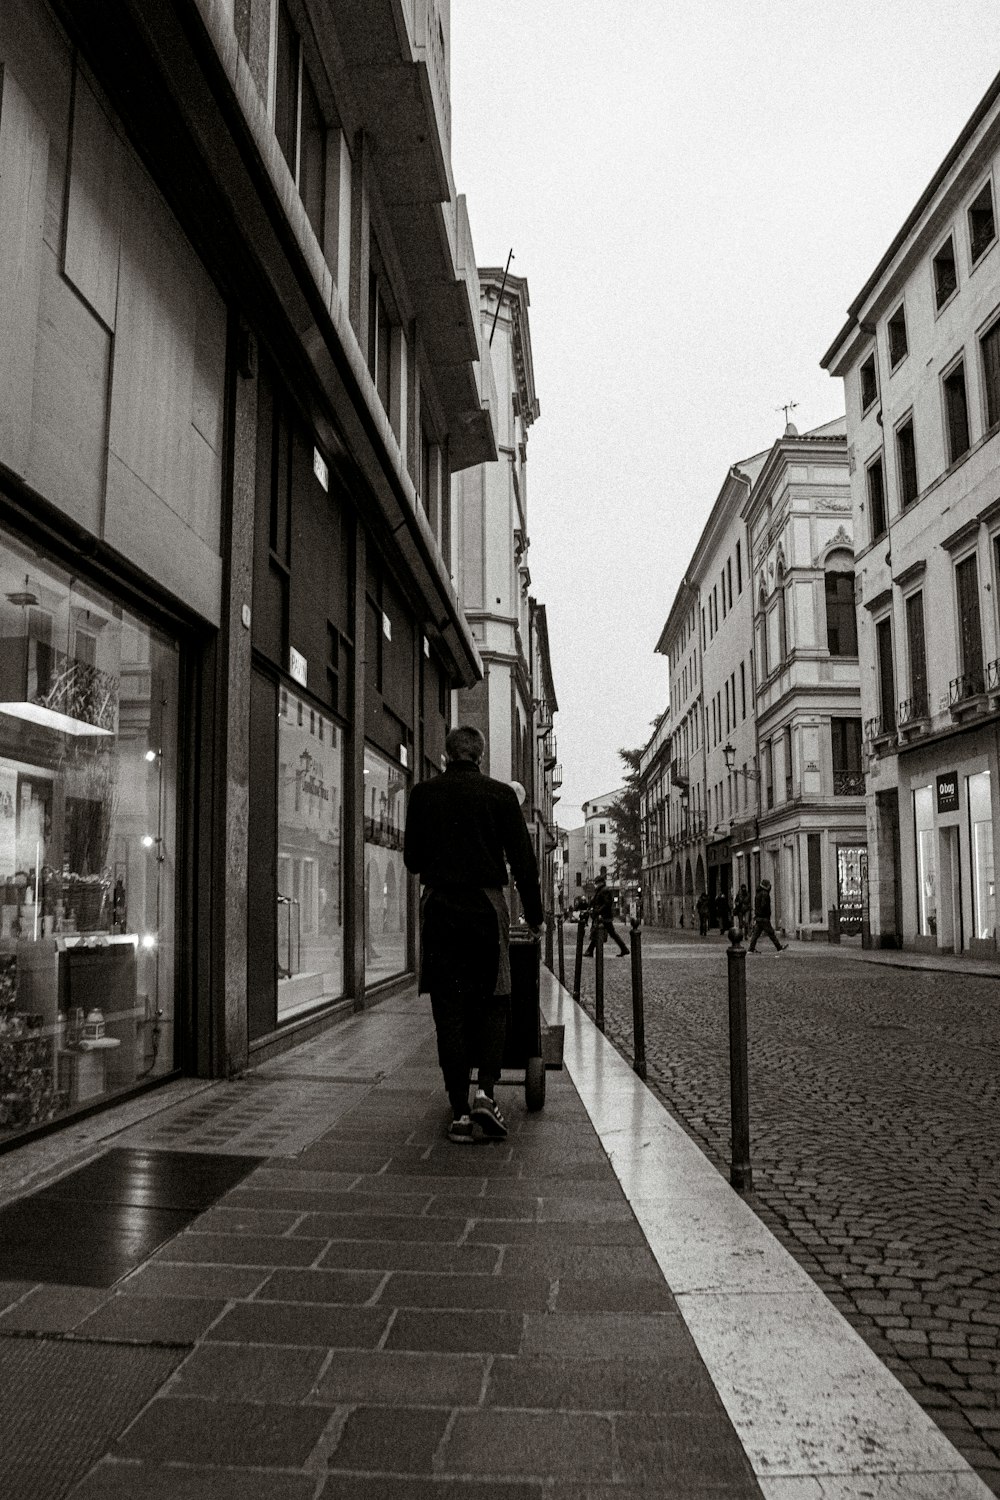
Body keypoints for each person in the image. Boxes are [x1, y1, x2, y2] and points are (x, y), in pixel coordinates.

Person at [403, 725, 544, 1144]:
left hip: (441, 906)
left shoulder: (423, 795)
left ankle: (459, 1109)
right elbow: (524, 863)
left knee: (449, 1006)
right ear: (480, 756)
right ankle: (486, 1091)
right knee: (495, 997)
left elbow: (412, 861)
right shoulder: (500, 795)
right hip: (486, 906)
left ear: (446, 756)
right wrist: (535, 917)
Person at [584, 875, 629, 957]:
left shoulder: (604, 890)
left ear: (600, 883)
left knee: (601, 932)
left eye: (596, 883)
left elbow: (607, 903)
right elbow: (595, 901)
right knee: (599, 932)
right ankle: (623, 948)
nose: (595, 884)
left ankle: (624, 948)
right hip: (602, 916)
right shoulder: (600, 890)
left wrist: (598, 910)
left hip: (604, 916)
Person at [748, 878, 787, 953]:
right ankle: (779, 948)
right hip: (764, 918)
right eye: (769, 885)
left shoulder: (758, 893)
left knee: (756, 934)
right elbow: (764, 906)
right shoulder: (765, 894)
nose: (770, 887)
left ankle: (751, 949)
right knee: (771, 933)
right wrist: (766, 914)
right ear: (766, 886)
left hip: (759, 917)